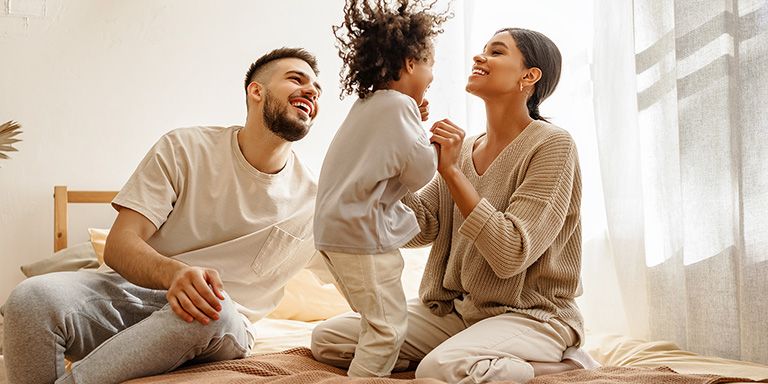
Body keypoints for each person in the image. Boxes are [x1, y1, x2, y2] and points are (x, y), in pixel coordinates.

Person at [2, 47, 323, 384]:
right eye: (296, 79)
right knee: (29, 298)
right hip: (127, 295)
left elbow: (363, 276)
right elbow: (120, 245)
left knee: (211, 308)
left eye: (317, 87)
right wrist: (175, 274)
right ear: (256, 91)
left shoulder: (318, 201)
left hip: (215, 323)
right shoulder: (185, 149)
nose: (311, 90)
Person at [311, 28, 601, 383]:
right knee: (329, 340)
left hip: (533, 316)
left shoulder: (553, 144)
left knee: (439, 368)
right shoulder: (464, 150)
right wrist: (398, 148)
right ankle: (469, 355)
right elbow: (423, 226)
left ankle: (563, 367)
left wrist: (450, 172)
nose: (479, 57)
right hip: (460, 313)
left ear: (529, 76)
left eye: (496, 52)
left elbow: (511, 252)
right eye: (481, 50)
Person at [311, 0, 449, 378]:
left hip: (333, 233)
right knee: (387, 328)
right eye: (429, 69)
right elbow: (419, 172)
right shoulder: (400, 107)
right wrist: (436, 145)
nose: (431, 79)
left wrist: (412, 123)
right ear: (409, 63)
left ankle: (382, 367)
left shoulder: (369, 105)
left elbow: (386, 159)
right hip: (361, 235)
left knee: (378, 320)